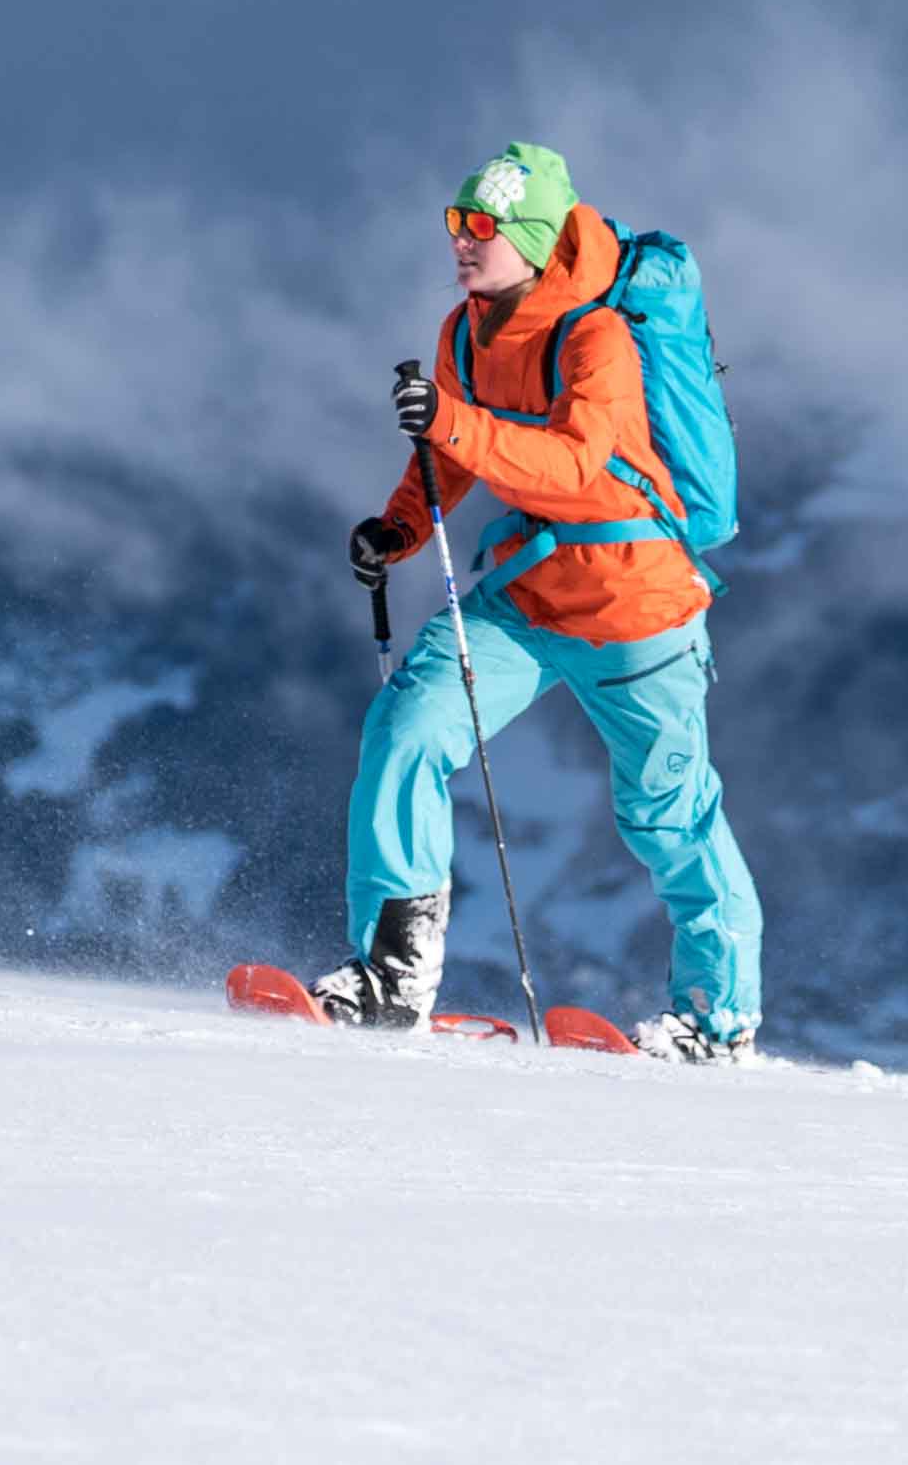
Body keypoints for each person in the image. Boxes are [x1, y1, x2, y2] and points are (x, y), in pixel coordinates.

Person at [311, 140, 763, 1061]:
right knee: (406, 727)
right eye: (457, 220)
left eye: (483, 225)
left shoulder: (595, 338)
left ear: (532, 238)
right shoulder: (463, 333)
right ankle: (394, 976)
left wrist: (453, 422)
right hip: (533, 593)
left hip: (638, 606)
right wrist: (398, 530)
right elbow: (449, 458)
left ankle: (718, 1023)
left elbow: (574, 466)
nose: (462, 239)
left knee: (668, 816)